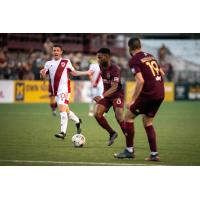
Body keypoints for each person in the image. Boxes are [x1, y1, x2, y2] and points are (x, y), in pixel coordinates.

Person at [114, 38, 165, 161]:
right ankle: (154, 154)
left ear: (129, 48)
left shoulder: (134, 59)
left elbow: (140, 81)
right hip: (160, 92)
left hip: (149, 93)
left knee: (128, 117)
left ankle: (129, 150)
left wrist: (132, 100)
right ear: (140, 46)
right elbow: (162, 73)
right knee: (147, 122)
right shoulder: (151, 56)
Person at [40, 44, 92, 139]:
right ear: (52, 52)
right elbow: (43, 78)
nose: (56, 52)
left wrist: (86, 72)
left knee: (61, 108)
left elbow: (74, 72)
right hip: (56, 91)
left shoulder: (66, 62)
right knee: (66, 110)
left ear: (61, 52)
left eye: (57, 50)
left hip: (65, 90)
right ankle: (77, 121)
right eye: (54, 50)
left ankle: (63, 132)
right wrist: (42, 74)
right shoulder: (48, 63)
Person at [93, 48, 125, 146]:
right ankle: (112, 133)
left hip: (117, 95)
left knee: (119, 115)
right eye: (97, 57)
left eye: (100, 57)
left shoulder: (115, 69)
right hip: (107, 96)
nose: (98, 59)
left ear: (107, 57)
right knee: (97, 114)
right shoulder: (101, 66)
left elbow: (115, 87)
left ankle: (128, 138)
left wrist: (102, 96)